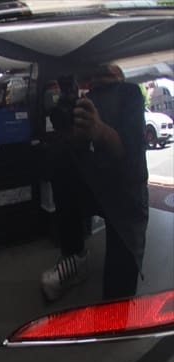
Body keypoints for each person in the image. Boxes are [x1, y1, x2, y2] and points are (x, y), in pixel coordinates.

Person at [41, 65, 149, 301]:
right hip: (95, 183)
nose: (101, 80)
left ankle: (116, 294)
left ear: (119, 76)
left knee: (117, 294)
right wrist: (72, 131)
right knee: (58, 157)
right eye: (96, 76)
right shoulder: (88, 98)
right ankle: (75, 257)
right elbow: (72, 147)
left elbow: (133, 161)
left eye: (108, 74)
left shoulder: (129, 93)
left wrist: (100, 131)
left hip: (125, 191)